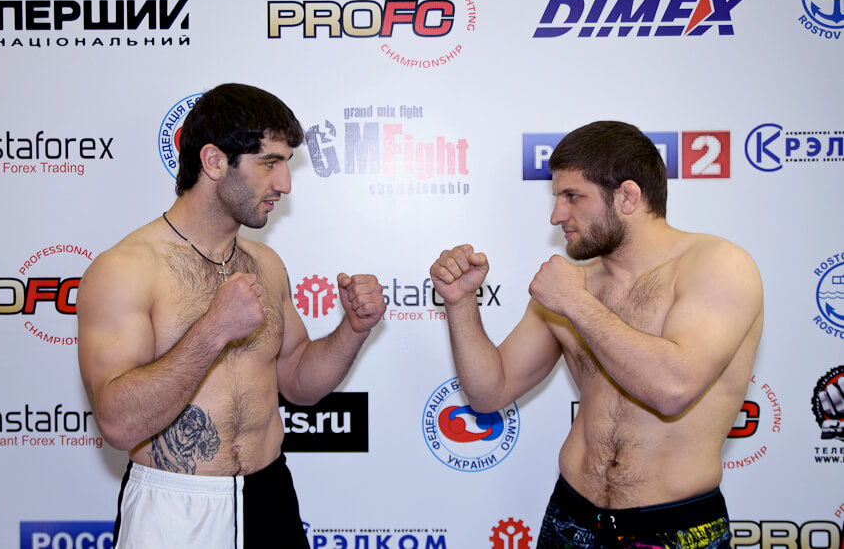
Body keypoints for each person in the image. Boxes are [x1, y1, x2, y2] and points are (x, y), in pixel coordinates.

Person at [77, 83, 386, 549]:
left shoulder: (265, 264)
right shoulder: (127, 269)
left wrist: (352, 329)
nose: (284, 184)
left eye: (286, 164)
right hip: (175, 507)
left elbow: (298, 382)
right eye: (269, 163)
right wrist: (213, 330)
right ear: (214, 162)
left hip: (269, 497)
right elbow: (119, 423)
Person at [430, 121, 763, 549]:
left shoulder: (717, 265)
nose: (556, 216)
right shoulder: (572, 285)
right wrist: (460, 303)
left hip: (675, 528)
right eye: (557, 197)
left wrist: (577, 303)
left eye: (573, 196)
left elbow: (672, 388)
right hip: (572, 518)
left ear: (628, 197)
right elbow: (488, 393)